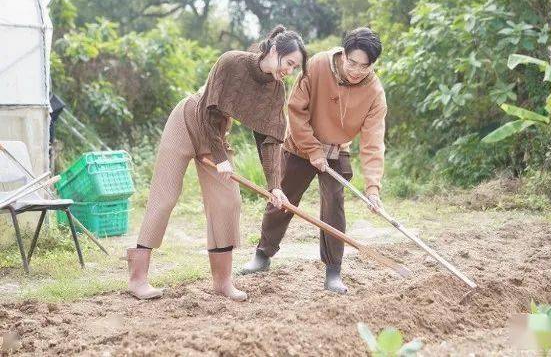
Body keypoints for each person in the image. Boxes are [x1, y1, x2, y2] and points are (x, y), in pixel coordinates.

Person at [126, 26, 307, 301]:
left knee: (228, 202)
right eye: (289, 63)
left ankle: (222, 282)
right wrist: (221, 159)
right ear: (273, 51)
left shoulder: (275, 90)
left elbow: (270, 140)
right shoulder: (231, 61)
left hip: (217, 135)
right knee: (165, 197)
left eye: (295, 67)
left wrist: (275, 186)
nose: (290, 71)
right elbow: (206, 110)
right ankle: (138, 278)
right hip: (188, 121)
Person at [241, 27, 386, 294]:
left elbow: (373, 142)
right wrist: (312, 150)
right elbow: (296, 111)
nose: (355, 70)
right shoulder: (318, 65)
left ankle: (333, 272)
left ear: (372, 65)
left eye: (363, 67)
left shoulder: (375, 93)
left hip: (336, 149)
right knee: (282, 199)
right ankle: (262, 255)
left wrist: (373, 187)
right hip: (300, 143)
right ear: (343, 53)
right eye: (351, 62)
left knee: (334, 207)